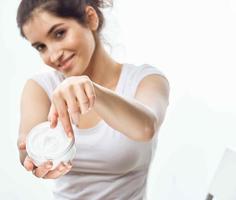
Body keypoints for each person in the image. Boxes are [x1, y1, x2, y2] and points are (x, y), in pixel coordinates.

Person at [16, 0, 170, 199]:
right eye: (40, 47)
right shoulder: (41, 87)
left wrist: (92, 90)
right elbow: (28, 148)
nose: (53, 55)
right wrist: (30, 155)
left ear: (91, 18)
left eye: (59, 33)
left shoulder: (145, 80)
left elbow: (146, 127)